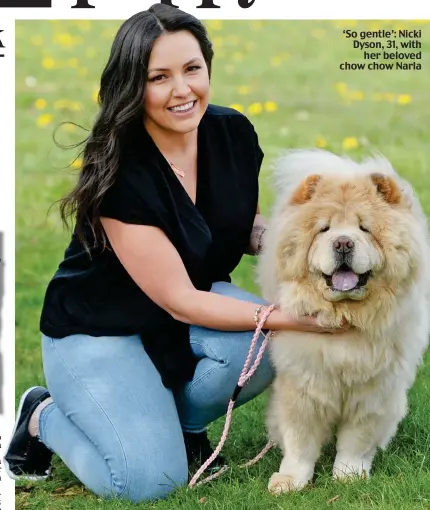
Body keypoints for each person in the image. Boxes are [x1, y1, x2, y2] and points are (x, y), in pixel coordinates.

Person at [5, 4, 348, 503]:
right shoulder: (121, 170)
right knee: (147, 482)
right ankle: (43, 416)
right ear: (132, 87)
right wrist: (302, 318)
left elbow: (237, 224)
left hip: (184, 319)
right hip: (102, 329)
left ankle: (182, 428)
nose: (183, 90)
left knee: (262, 346)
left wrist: (306, 240)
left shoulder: (232, 133)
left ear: (208, 66)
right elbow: (180, 301)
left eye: (192, 69)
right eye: (158, 77)